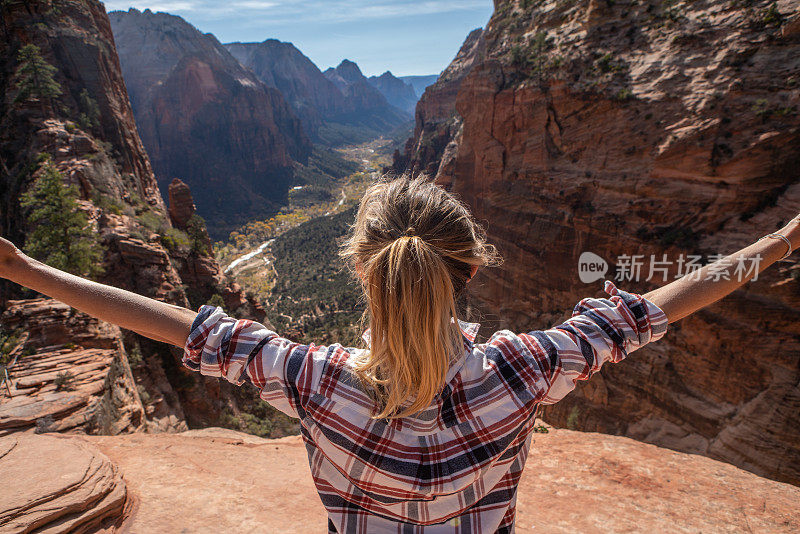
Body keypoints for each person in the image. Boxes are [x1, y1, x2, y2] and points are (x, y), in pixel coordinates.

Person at [0, 176, 797, 533]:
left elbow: (178, 325)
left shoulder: (311, 381)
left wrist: (29, 271)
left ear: (362, 271)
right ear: (470, 271)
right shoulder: (527, 370)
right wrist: (777, 242)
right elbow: (659, 306)